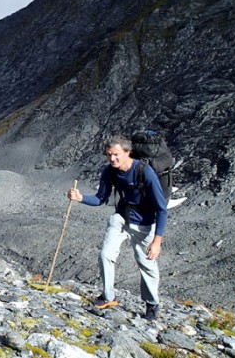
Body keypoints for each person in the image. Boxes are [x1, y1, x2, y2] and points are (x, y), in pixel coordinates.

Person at [66, 135, 167, 321]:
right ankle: (108, 296)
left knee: (146, 263)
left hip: (144, 223)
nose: (112, 159)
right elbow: (100, 199)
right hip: (121, 218)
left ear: (128, 153)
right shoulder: (109, 171)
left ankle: (152, 304)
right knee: (105, 254)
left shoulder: (145, 172)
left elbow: (161, 208)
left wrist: (157, 241)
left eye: (116, 154)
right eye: (109, 155)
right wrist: (80, 198)